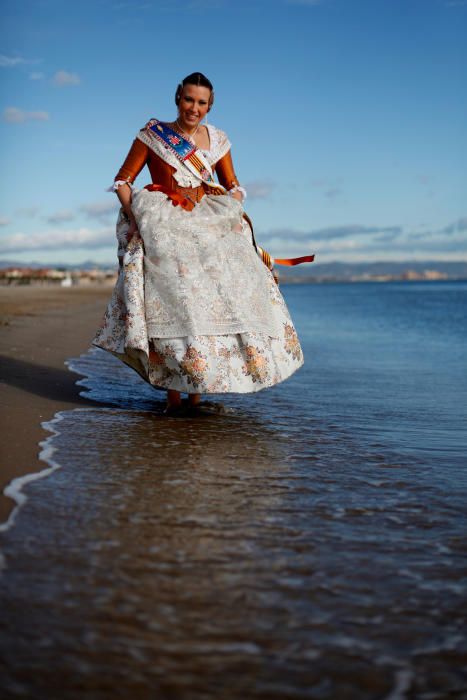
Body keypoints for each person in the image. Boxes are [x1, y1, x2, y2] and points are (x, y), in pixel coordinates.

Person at [93, 72, 305, 414]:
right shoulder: (152, 135)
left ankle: (198, 394)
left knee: (219, 302)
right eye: (189, 99)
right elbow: (122, 181)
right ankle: (173, 399)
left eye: (202, 103)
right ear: (178, 98)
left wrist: (230, 208)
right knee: (178, 308)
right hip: (166, 227)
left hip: (207, 227)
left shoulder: (219, 140)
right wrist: (136, 219)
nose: (194, 108)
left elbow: (234, 185)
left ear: (210, 105)